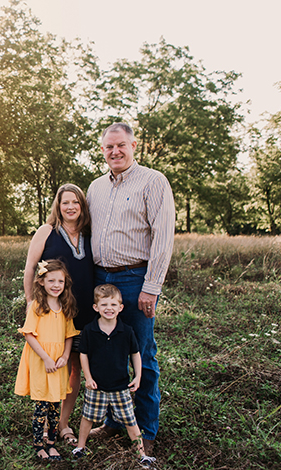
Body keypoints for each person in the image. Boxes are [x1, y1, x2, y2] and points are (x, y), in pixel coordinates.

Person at [86, 122, 175, 455]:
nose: (115, 152)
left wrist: (151, 287)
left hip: (134, 279)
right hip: (99, 280)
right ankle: (112, 422)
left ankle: (147, 429)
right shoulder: (95, 187)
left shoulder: (153, 182)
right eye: (109, 147)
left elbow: (163, 237)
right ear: (103, 150)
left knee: (141, 353)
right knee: (105, 352)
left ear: (134, 145)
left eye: (121, 145)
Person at [23, 183, 95, 446]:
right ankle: (45, 425)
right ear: (58, 205)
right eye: (65, 202)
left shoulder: (90, 232)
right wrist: (32, 303)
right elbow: (30, 267)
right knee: (50, 364)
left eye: (75, 202)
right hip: (52, 312)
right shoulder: (47, 231)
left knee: (74, 366)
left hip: (85, 310)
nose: (70, 207)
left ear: (82, 206)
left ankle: (63, 423)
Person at [72, 284, 156, 468]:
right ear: (96, 307)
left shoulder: (126, 331)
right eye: (104, 305)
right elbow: (83, 354)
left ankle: (141, 454)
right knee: (88, 417)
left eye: (113, 304)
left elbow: (135, 354)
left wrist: (138, 376)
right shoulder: (90, 330)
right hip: (97, 386)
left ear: (121, 308)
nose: (108, 308)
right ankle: (80, 446)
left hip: (120, 386)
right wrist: (88, 377)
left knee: (130, 421)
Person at [15, 259, 79, 461]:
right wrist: (46, 358)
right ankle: (38, 445)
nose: (56, 285)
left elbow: (69, 335)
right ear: (41, 282)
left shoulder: (65, 305)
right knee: (41, 406)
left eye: (60, 281)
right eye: (51, 280)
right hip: (42, 361)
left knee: (55, 406)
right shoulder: (36, 306)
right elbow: (29, 334)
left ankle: (51, 444)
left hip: (59, 362)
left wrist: (65, 356)